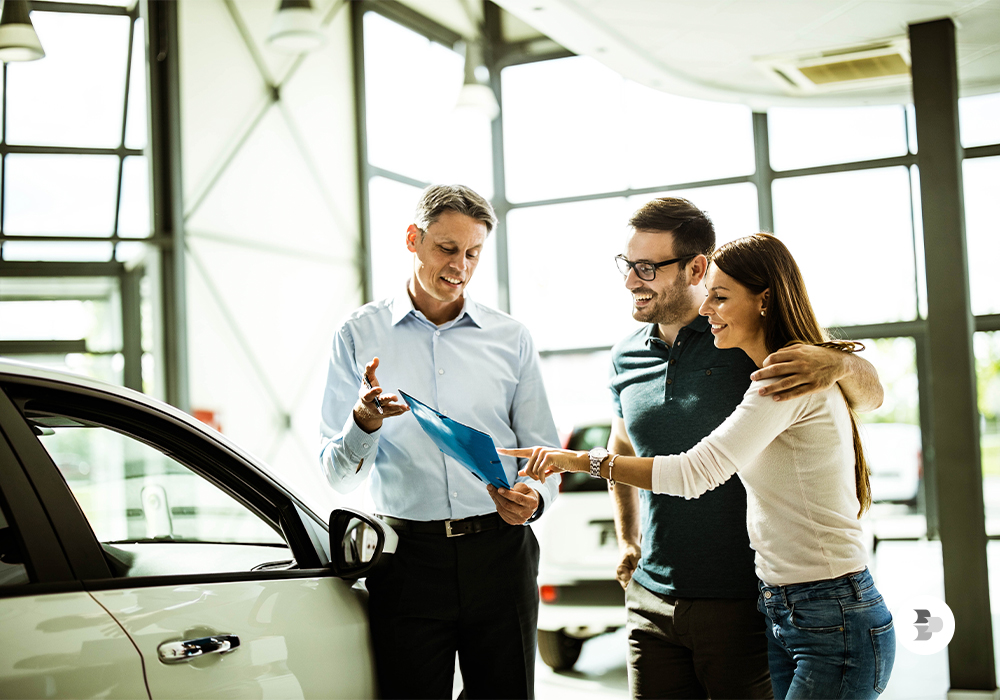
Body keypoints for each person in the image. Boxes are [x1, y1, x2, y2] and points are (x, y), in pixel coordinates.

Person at [504, 232, 896, 699]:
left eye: (720, 297)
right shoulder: (762, 373)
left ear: (764, 300)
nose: (707, 308)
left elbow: (694, 473)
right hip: (783, 607)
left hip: (829, 610)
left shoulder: (785, 379)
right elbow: (633, 444)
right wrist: (629, 540)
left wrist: (576, 460)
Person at [318, 184, 559, 700]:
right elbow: (337, 476)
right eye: (447, 248)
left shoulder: (511, 337)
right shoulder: (358, 335)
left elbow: (544, 451)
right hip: (406, 561)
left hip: (501, 553)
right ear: (414, 239)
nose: (460, 266)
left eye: (473, 253)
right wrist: (363, 422)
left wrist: (534, 495)